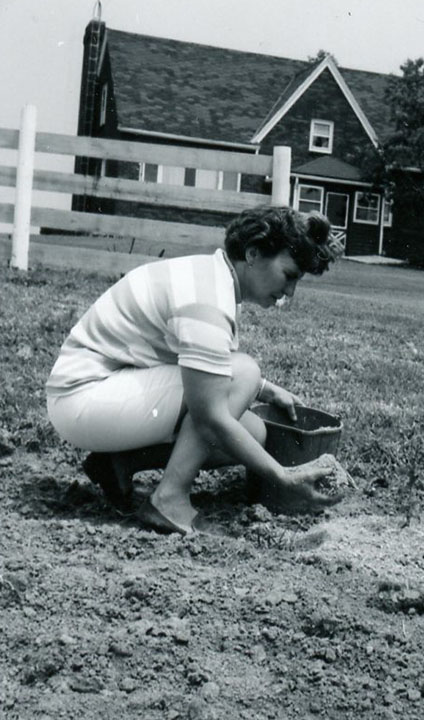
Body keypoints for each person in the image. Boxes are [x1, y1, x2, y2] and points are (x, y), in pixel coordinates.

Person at [46, 206, 343, 534]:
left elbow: (199, 361)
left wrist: (267, 390)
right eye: (289, 275)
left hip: (99, 393)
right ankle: (168, 499)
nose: (289, 293)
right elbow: (210, 415)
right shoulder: (208, 299)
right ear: (253, 253)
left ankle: (119, 464)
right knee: (242, 374)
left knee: (254, 432)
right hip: (82, 397)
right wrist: (282, 475)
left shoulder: (210, 277)